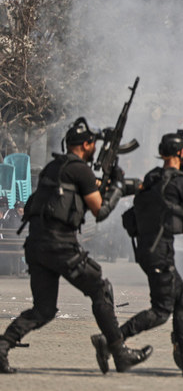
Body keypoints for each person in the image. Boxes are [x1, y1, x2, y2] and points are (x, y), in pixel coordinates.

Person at [0, 117, 151, 374]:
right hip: (60, 246)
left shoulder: (54, 167)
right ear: (85, 144)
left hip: (36, 245)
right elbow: (99, 210)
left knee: (44, 309)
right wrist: (116, 186)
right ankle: (118, 351)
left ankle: (3, 346)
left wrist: (117, 186)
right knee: (101, 289)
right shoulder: (80, 170)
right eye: (92, 143)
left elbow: (84, 194)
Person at [91, 131, 183, 376]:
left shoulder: (152, 177)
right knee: (161, 310)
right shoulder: (182, 183)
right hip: (160, 253)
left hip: (148, 250)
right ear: (181, 154)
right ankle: (111, 340)